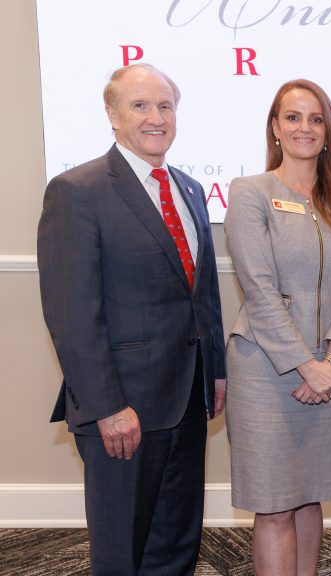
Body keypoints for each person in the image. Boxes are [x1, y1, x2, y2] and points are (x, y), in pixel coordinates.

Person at [37, 63, 226, 575]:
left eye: (165, 106)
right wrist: (107, 406)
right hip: (123, 410)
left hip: (187, 399)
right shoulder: (77, 191)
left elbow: (201, 293)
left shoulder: (188, 189)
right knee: (123, 551)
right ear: (112, 116)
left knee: (176, 542)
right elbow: (72, 314)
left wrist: (217, 373)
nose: (155, 117)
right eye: (140, 105)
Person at [223, 79, 331, 575]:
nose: (303, 127)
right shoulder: (250, 193)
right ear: (275, 127)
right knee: (276, 505)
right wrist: (304, 364)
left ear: (328, 131)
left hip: (329, 373)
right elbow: (259, 290)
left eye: (315, 118)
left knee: (312, 499)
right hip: (266, 370)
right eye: (292, 117)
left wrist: (330, 360)